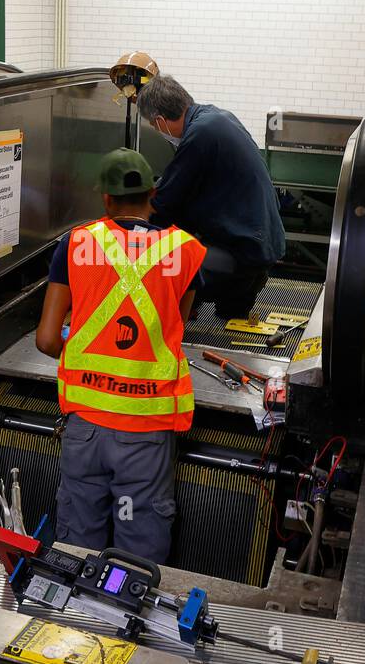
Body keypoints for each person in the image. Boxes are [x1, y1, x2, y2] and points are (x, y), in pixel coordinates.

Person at [35, 148, 206, 563]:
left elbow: (45, 339)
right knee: (139, 551)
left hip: (86, 429)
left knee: (77, 547)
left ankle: (73, 622)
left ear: (106, 200)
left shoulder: (75, 244)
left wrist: (79, 349)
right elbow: (172, 330)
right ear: (153, 193)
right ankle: (127, 621)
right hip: (147, 431)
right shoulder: (184, 251)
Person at [135, 74, 286, 320]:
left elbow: (165, 202)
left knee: (159, 251)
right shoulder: (218, 118)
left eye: (152, 125)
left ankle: (178, 313)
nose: (155, 129)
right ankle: (228, 297)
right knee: (228, 315)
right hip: (260, 243)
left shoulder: (200, 134)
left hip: (244, 253)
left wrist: (132, 229)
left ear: (160, 120)